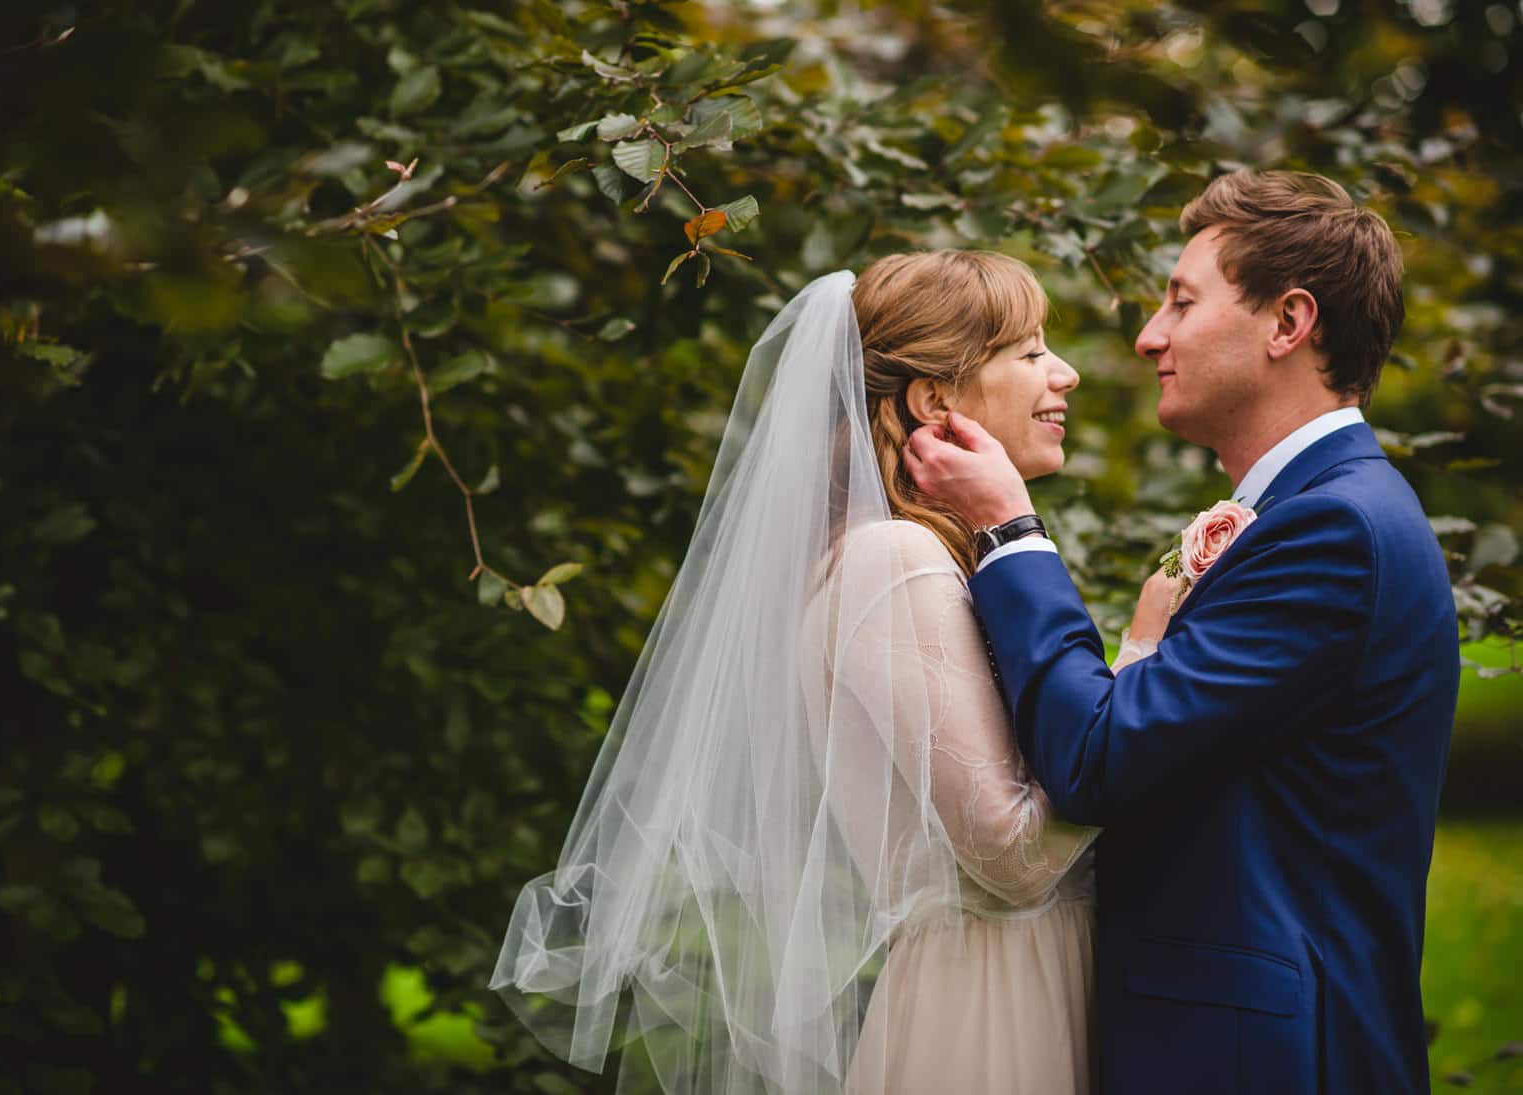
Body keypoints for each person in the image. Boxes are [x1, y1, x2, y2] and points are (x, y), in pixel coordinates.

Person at [490, 251, 1171, 1093]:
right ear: (934, 399)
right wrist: (1144, 653)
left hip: (1018, 973)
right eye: (1029, 353)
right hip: (995, 1003)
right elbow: (1013, 858)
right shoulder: (894, 561)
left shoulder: (925, 559)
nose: (1063, 373)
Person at [906, 169, 1460, 1094]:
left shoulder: (1335, 530)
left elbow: (1096, 756)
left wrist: (1010, 530)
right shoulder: (1311, 512)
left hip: (1265, 1060)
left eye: (1181, 301)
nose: (1147, 335)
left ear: (1288, 324)